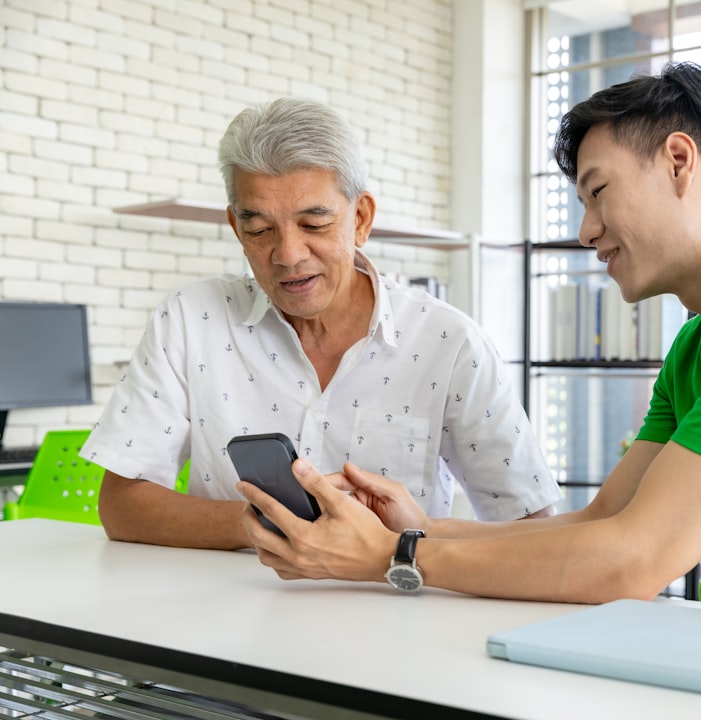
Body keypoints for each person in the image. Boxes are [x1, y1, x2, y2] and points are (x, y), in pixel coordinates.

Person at [236, 64, 701, 634]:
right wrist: (415, 528)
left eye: (598, 192)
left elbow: (634, 563)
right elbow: (602, 522)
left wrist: (392, 559)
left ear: (677, 162)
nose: (585, 229)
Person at [81, 98, 561, 549]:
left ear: (361, 219)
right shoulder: (189, 320)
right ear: (235, 227)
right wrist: (269, 524)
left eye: (314, 224)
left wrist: (409, 539)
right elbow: (123, 505)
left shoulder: (449, 342)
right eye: (259, 228)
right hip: (223, 618)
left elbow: (528, 526)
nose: (288, 255)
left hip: (396, 618)